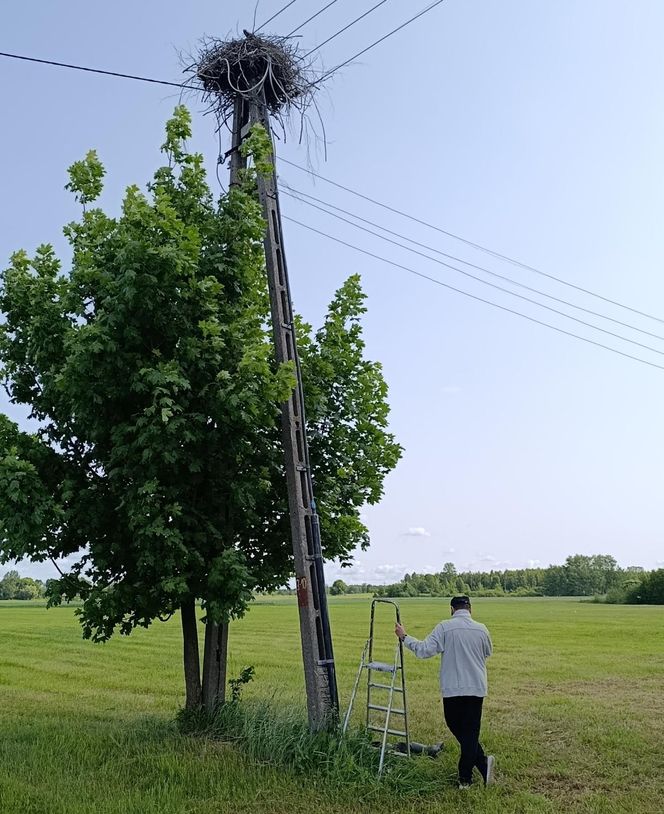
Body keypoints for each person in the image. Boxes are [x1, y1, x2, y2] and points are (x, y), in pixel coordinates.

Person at [395, 595, 495, 789]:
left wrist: (404, 637)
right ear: (470, 609)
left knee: (457, 727)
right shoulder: (482, 629)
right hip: (476, 687)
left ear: (451, 609)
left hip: (453, 688)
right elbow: (487, 652)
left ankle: (465, 779)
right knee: (470, 732)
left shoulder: (444, 627)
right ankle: (483, 764)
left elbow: (424, 650)